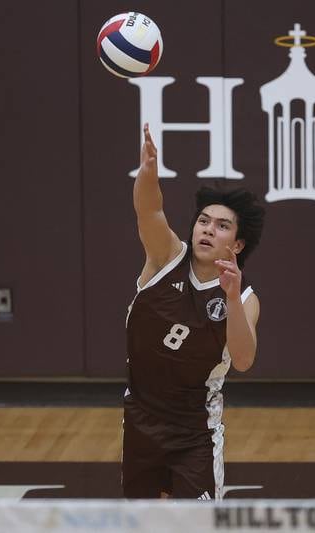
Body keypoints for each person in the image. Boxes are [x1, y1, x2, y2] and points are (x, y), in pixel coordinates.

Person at [122, 123, 265, 500]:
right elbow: (148, 208)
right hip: (141, 422)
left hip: (195, 433)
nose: (207, 230)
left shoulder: (246, 297)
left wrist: (232, 298)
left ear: (237, 242)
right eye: (203, 221)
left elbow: (244, 359)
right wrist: (148, 172)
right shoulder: (165, 256)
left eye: (221, 226)